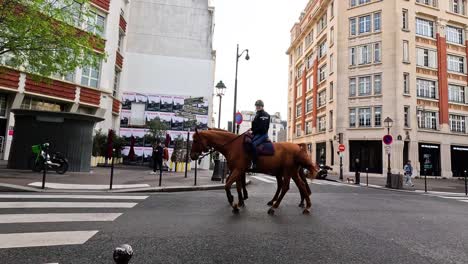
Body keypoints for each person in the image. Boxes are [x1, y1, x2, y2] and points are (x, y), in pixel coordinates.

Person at [249, 100, 270, 170]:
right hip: (257, 133)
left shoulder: (264, 115)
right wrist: (251, 129)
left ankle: (255, 163)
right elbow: (256, 125)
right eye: (256, 106)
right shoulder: (258, 114)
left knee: (253, 144)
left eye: (259, 106)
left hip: (262, 134)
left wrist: (253, 132)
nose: (257, 107)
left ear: (262, 106)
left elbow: (262, 128)